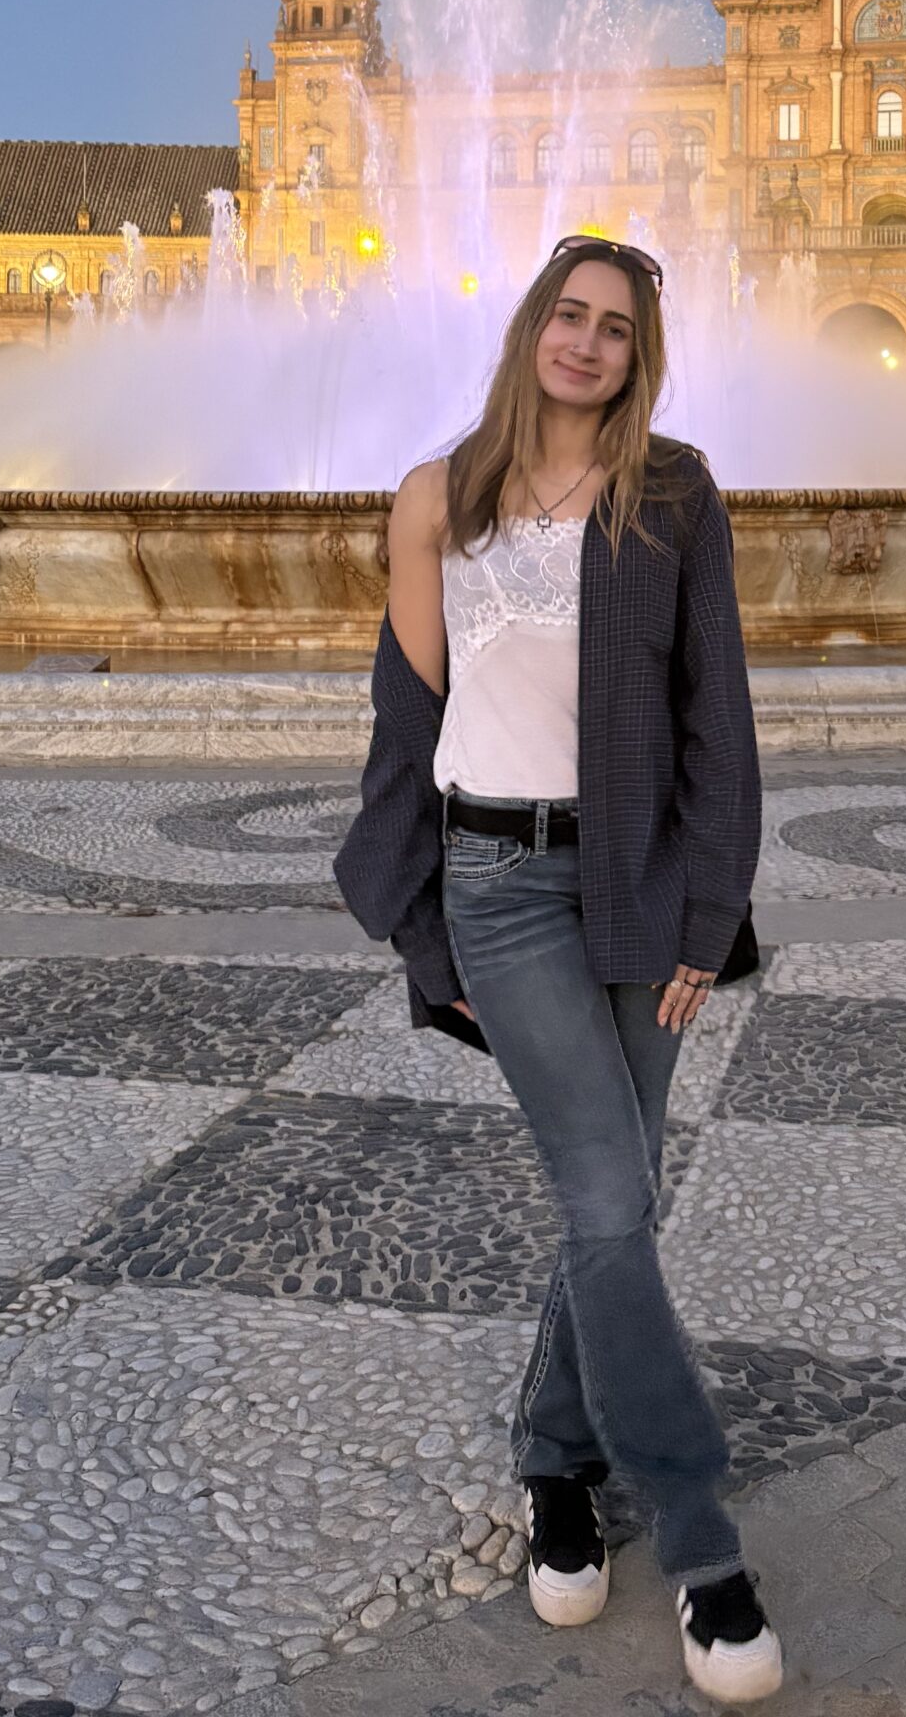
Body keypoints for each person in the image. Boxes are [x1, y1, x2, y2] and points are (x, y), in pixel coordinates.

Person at [334, 233, 781, 1706]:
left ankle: (556, 1469)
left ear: (640, 357)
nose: (586, 345)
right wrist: (420, 927)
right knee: (606, 1196)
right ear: (533, 328)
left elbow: (719, 712)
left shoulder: (674, 492)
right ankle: (708, 1552)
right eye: (569, 317)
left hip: (641, 885)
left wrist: (711, 918)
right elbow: (411, 728)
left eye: (616, 330)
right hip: (500, 888)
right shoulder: (432, 502)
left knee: (618, 1203)